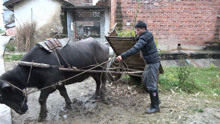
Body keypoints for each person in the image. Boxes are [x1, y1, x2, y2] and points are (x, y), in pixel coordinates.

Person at [116, 20, 160, 114]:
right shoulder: (146, 35)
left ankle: (155, 107)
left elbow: (136, 49)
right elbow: (139, 41)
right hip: (151, 62)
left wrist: (122, 56)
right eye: (136, 30)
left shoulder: (144, 37)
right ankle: (156, 101)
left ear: (143, 29)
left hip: (152, 63)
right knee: (150, 83)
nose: (137, 32)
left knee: (151, 85)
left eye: (138, 30)